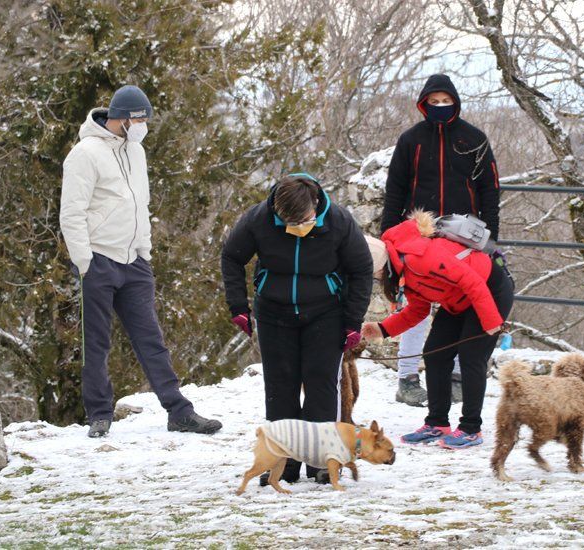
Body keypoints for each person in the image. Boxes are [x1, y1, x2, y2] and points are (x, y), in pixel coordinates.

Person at [60, 85, 222, 438]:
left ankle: (179, 412)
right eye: (139, 119)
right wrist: (85, 262)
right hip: (99, 261)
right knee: (97, 343)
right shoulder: (84, 154)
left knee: (151, 340)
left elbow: (140, 205)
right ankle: (99, 414)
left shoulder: (137, 151)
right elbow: (71, 214)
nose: (143, 125)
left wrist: (145, 253)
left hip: (133, 261)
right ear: (122, 117)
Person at [221, 174, 373, 483]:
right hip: (274, 312)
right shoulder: (258, 219)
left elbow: (361, 269)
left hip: (325, 311)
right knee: (280, 387)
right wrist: (238, 305)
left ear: (316, 205)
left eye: (303, 222)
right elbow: (231, 257)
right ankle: (283, 463)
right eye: (288, 223)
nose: (297, 229)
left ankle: (321, 463)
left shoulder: (339, 221)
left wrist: (352, 320)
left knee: (320, 385)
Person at [380, 73, 501, 407]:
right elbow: (395, 191)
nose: (439, 107)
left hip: (465, 235)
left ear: (456, 102)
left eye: (445, 102)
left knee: (463, 303)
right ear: (424, 104)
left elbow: (490, 189)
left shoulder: (474, 138)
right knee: (414, 304)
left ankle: (459, 378)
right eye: (433, 102)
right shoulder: (410, 141)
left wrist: (492, 238)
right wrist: (390, 237)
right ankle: (407, 378)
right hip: (420, 234)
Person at [362, 210, 513, 450]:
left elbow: (472, 280)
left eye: (375, 276)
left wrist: (491, 320)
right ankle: (437, 423)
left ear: (382, 268)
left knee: (471, 356)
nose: (378, 281)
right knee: (434, 353)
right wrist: (382, 328)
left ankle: (471, 428)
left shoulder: (420, 257)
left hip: (489, 290)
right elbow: (417, 310)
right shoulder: (403, 270)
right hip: (458, 300)